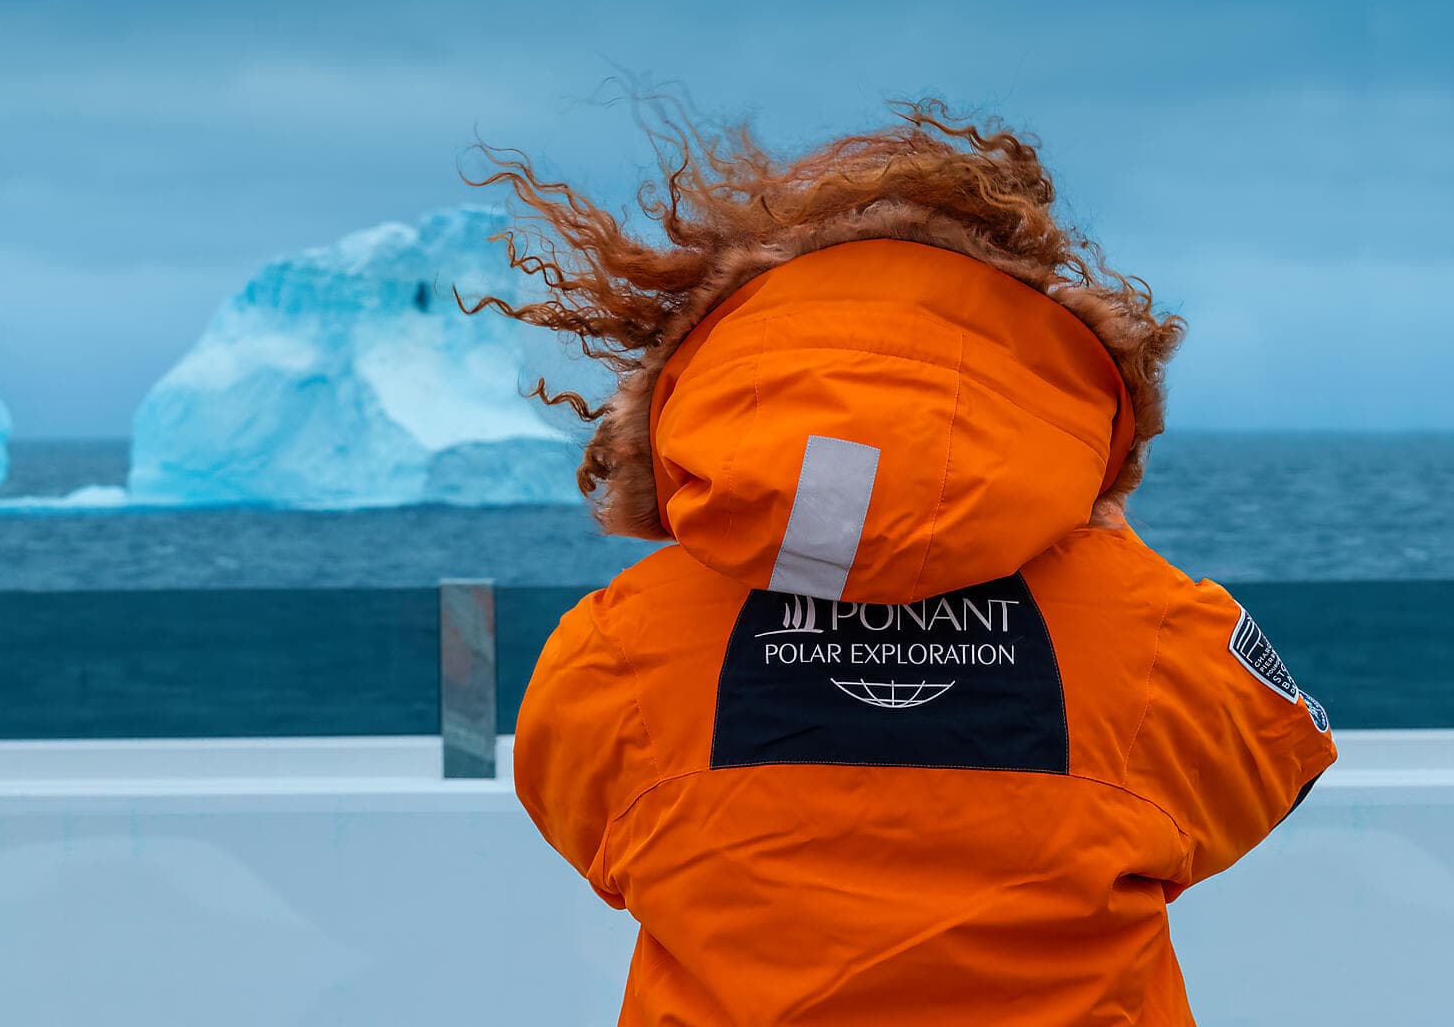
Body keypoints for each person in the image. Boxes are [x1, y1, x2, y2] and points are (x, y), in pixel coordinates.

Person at [464, 100, 1338, 1025]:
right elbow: (1269, 769)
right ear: (1044, 385)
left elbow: (583, 815)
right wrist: (1107, 553)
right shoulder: (1155, 630)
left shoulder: (620, 645)